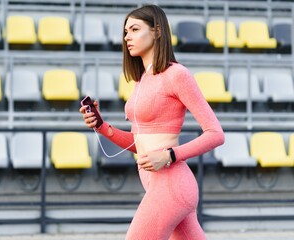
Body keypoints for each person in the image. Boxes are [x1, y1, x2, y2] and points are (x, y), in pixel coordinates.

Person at [79, 4, 224, 240]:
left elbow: (215, 134)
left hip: (172, 184)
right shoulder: (142, 80)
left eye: (135, 29)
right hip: (158, 183)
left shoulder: (177, 75)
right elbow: (141, 144)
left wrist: (169, 155)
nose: (127, 37)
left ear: (157, 31)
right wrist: (102, 127)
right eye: (126, 32)